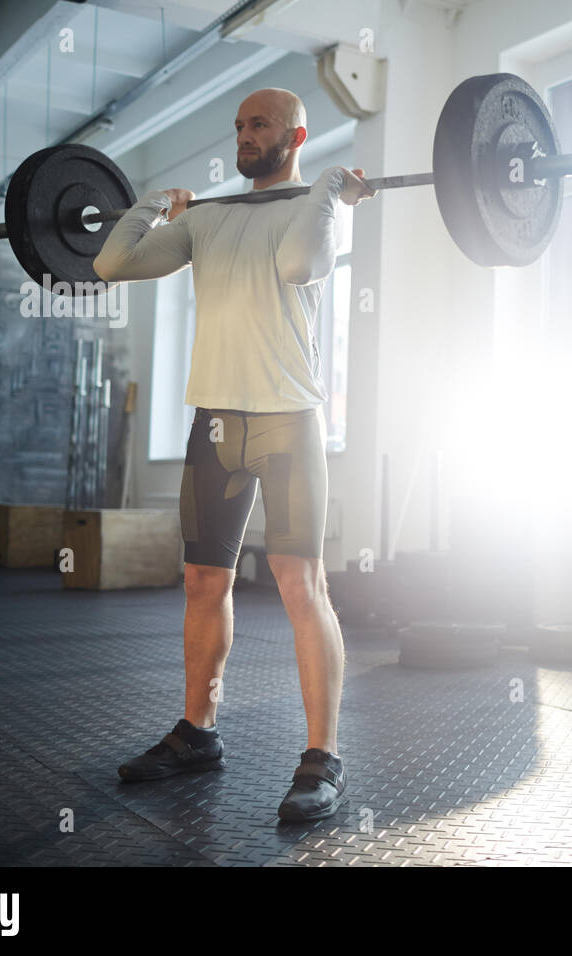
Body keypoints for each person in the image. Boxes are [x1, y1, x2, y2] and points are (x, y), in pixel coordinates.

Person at [93, 87, 374, 823]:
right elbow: (110, 265)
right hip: (214, 421)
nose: (245, 136)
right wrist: (152, 205)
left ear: (296, 135)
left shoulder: (315, 213)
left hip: (288, 417)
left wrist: (330, 192)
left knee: (297, 581)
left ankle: (322, 758)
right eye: (241, 126)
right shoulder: (209, 220)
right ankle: (198, 733)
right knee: (200, 580)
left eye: (261, 125)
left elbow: (300, 265)